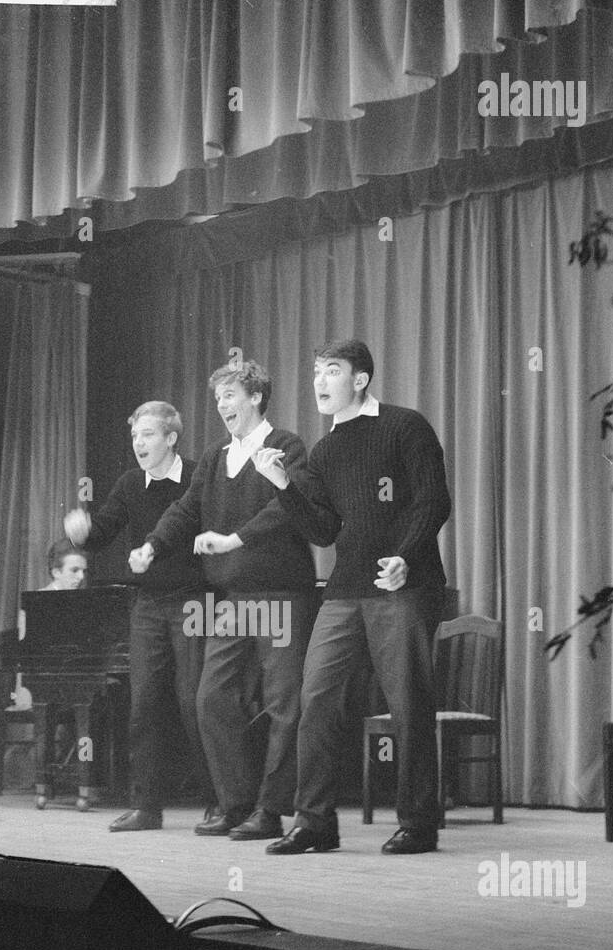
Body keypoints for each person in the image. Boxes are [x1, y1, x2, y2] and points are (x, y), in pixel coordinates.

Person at [251, 340, 451, 855]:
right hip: (344, 591)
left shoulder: (405, 426)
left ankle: (419, 822)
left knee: (408, 703)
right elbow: (321, 530)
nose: (319, 380)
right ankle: (315, 821)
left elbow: (433, 499)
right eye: (316, 371)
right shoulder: (323, 451)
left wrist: (405, 556)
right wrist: (282, 485)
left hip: (403, 585)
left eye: (332, 371)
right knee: (315, 699)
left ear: (360, 380)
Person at [132, 360, 316, 840]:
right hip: (231, 599)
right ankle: (235, 803)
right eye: (218, 399)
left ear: (255, 397)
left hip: (281, 594)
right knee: (210, 697)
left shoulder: (287, 446)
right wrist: (153, 544)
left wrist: (235, 539)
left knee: (282, 703)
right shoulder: (215, 457)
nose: (222, 406)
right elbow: (186, 508)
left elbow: (286, 509)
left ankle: (272, 810)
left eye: (230, 396)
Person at [64, 400, 216, 832]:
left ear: (171, 438)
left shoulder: (194, 478)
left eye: (147, 435)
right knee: (144, 705)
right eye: (134, 436)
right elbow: (104, 529)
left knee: (194, 702)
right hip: (148, 605)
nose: (138, 444)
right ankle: (147, 807)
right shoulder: (131, 483)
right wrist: (84, 532)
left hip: (194, 603)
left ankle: (218, 802)